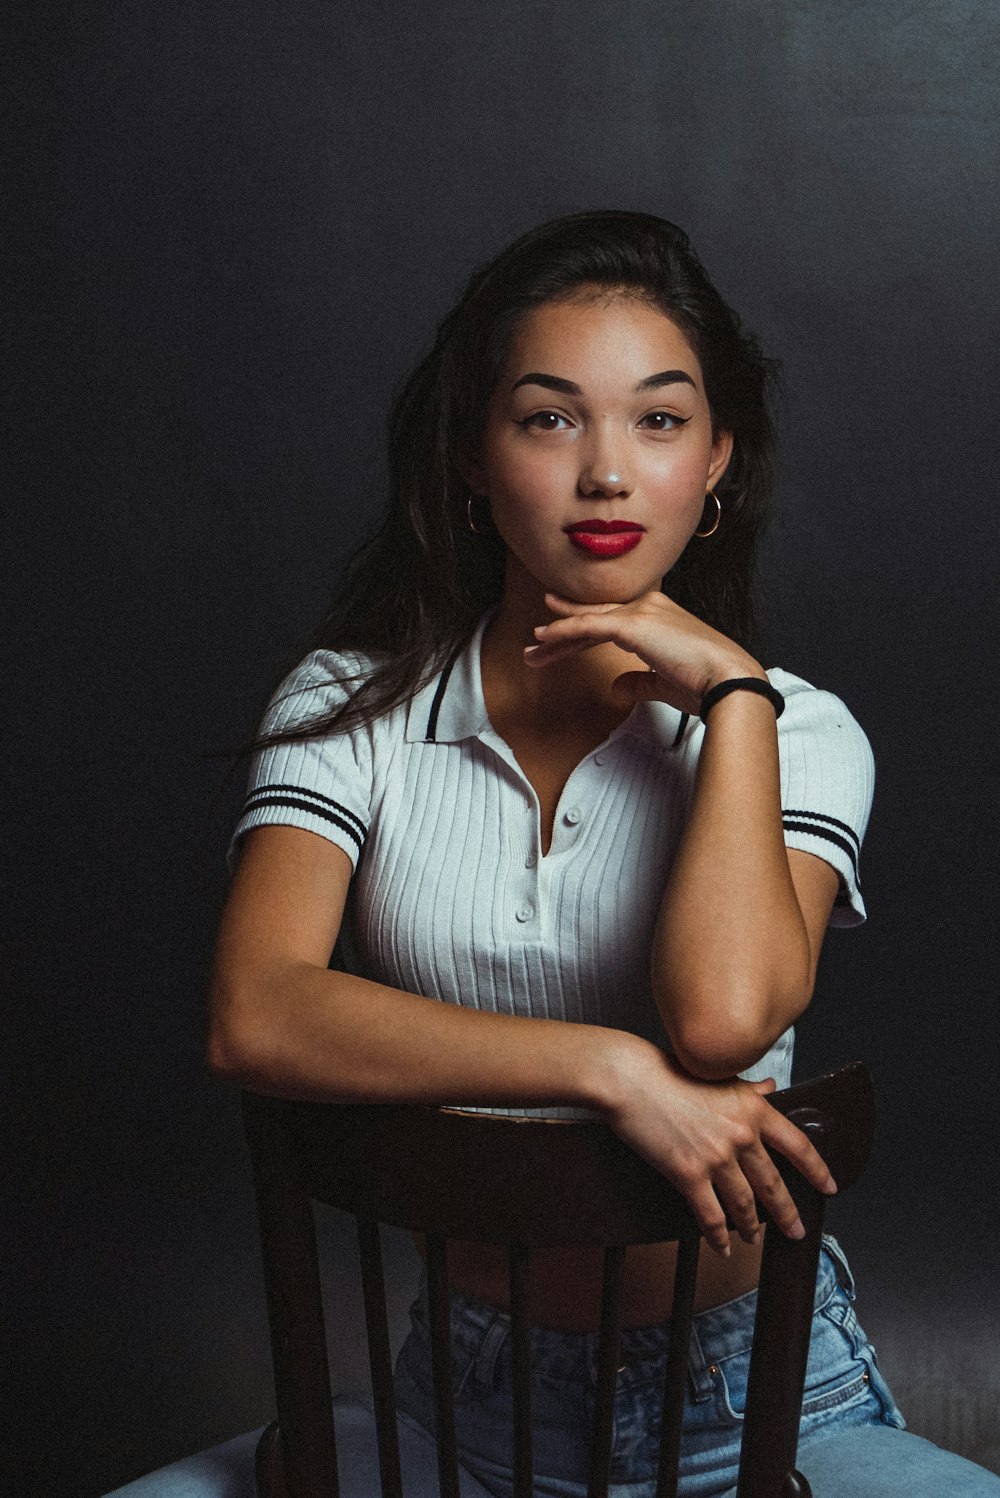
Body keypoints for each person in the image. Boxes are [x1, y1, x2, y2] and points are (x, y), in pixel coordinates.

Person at [106, 212, 1000, 1495]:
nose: (605, 475)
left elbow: (723, 1016)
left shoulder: (795, 727)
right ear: (472, 456)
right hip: (457, 1406)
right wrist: (602, 1068)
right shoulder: (347, 705)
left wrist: (732, 699)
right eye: (546, 418)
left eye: (657, 420)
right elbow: (256, 1010)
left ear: (718, 463)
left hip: (759, 1408)